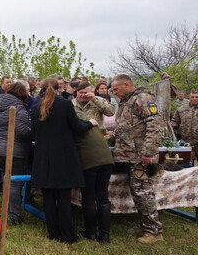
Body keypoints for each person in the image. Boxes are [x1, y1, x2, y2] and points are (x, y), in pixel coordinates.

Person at [30, 77, 97, 243]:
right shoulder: (65, 105)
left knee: (48, 196)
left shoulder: (35, 107)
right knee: (64, 196)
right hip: (63, 155)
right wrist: (90, 123)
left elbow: (34, 133)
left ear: (42, 88)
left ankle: (53, 233)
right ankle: (67, 235)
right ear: (58, 88)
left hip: (43, 155)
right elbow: (77, 128)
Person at [111, 74, 165, 244]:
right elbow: (130, 126)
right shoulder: (127, 102)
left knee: (144, 192)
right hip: (130, 154)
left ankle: (155, 231)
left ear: (126, 84)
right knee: (138, 192)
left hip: (141, 155)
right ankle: (146, 225)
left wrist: (148, 151)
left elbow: (155, 124)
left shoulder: (143, 98)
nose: (114, 93)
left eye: (116, 89)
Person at [0, 82, 33, 225]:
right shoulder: (19, 108)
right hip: (14, 151)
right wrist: (34, 130)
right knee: (15, 183)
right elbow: (22, 131)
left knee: (6, 180)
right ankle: (14, 216)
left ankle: (8, 210)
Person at [73, 108, 115, 243]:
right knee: (103, 197)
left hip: (90, 163)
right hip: (107, 161)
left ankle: (91, 233)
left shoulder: (75, 128)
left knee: (89, 198)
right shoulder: (94, 125)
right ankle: (104, 236)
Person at [171, 90, 198, 163]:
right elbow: (174, 123)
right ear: (189, 97)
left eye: (196, 97)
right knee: (185, 166)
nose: (194, 99)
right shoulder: (181, 109)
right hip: (185, 144)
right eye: (192, 97)